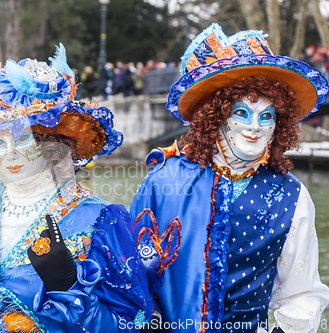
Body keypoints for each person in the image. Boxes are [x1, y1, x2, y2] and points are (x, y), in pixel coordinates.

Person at [0, 44, 178, 333]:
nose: (10, 154)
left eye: (24, 140)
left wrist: (70, 287)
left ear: (52, 146)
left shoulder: (102, 221)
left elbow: (134, 326)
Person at [130, 23, 329, 333]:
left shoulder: (292, 196)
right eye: (241, 113)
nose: (255, 127)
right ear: (215, 115)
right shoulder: (163, 180)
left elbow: (302, 292)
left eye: (267, 116)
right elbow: (132, 275)